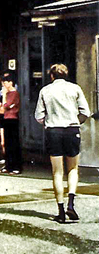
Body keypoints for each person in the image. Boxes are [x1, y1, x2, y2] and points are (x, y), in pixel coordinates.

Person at [34, 63, 91, 223]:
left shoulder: (45, 90)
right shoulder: (75, 88)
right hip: (72, 130)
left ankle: (60, 210)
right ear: (66, 74)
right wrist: (76, 122)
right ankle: (71, 204)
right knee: (73, 168)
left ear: (51, 76)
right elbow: (85, 112)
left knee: (57, 172)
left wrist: (48, 122)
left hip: (54, 131)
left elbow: (39, 116)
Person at [0, 74, 22, 175]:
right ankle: (8, 165)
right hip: (6, 118)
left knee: (13, 143)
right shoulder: (8, 93)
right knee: (7, 143)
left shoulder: (14, 93)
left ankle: (16, 166)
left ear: (10, 83)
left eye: (5, 83)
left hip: (12, 118)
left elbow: (6, 105)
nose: (4, 85)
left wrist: (4, 95)